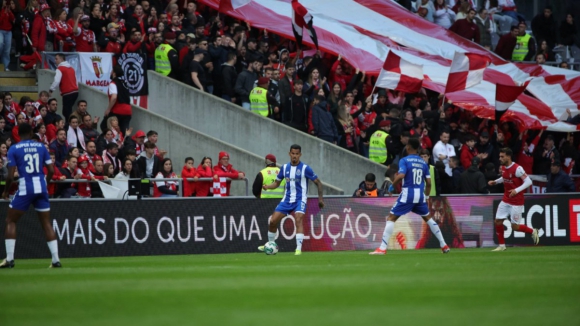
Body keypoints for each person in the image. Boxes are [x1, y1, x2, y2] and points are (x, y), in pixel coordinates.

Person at [370, 138, 450, 255]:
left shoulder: (404, 160)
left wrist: (392, 187)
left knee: (391, 218)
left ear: (408, 147)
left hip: (408, 194)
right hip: (420, 195)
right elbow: (428, 183)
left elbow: (401, 175)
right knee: (429, 219)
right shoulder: (423, 163)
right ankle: (444, 245)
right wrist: (426, 196)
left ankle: (382, 248)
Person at [0, 123, 61, 268]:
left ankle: (9, 259)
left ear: (18, 134)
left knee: (10, 220)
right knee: (46, 223)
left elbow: (9, 177)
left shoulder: (14, 149)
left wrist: (5, 191)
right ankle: (55, 260)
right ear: (32, 132)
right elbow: (51, 170)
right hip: (41, 187)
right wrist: (45, 183)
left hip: (25, 187)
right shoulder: (40, 146)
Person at [258, 144, 324, 255]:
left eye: (297, 154)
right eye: (293, 153)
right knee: (273, 221)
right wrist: (267, 187)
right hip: (287, 200)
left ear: (300, 155)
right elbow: (277, 183)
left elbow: (319, 183)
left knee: (298, 219)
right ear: (289, 154)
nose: (294, 156)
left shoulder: (305, 168)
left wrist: (320, 199)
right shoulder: (284, 168)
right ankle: (270, 244)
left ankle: (298, 248)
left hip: (300, 199)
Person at [488, 148, 538, 252]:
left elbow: (528, 182)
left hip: (516, 202)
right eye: (499, 156)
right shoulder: (503, 167)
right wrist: (496, 182)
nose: (500, 158)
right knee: (498, 221)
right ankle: (502, 246)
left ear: (508, 157)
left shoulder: (517, 168)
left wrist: (516, 190)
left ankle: (533, 231)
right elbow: (505, 177)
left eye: (502, 156)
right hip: (506, 199)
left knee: (514, 227)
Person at [49, 53, 79, 121]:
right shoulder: (72, 68)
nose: (55, 60)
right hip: (75, 92)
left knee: (66, 112)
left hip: (67, 93)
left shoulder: (60, 69)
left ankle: (70, 124)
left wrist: (51, 89)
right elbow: (76, 80)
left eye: (56, 59)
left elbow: (56, 81)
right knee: (68, 110)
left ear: (61, 59)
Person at [104, 65, 132, 135]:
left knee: (104, 126)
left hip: (117, 110)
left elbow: (114, 97)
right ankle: (123, 143)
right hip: (128, 110)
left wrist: (108, 109)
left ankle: (112, 141)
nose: (110, 73)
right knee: (124, 131)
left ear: (114, 73)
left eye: (111, 71)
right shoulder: (124, 83)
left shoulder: (113, 83)